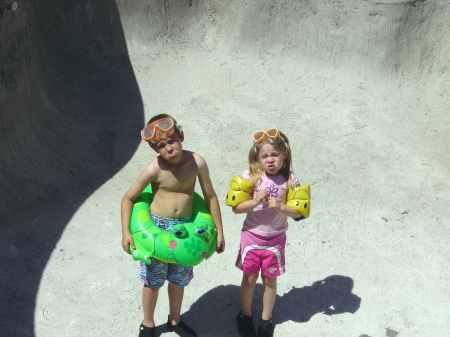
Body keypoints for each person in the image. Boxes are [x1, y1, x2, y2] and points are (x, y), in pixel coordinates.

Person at [121, 114, 225, 337]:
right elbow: (128, 198)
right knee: (153, 281)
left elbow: (210, 197)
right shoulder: (154, 169)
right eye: (161, 145)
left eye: (172, 140)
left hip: (186, 228)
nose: (169, 148)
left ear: (181, 136)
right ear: (154, 150)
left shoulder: (197, 162)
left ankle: (175, 320)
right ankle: (148, 323)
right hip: (157, 230)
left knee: (179, 281)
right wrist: (126, 233)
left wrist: (219, 231)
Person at [231, 128, 302, 337]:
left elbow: (299, 212)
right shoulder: (250, 176)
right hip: (252, 235)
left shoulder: (290, 179)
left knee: (270, 280)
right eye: (265, 155)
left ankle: (266, 319)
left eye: (275, 154)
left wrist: (281, 207)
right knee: (250, 278)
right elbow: (236, 208)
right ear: (257, 157)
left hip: (275, 239)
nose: (270, 160)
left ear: (284, 155)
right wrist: (254, 201)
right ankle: (245, 315)